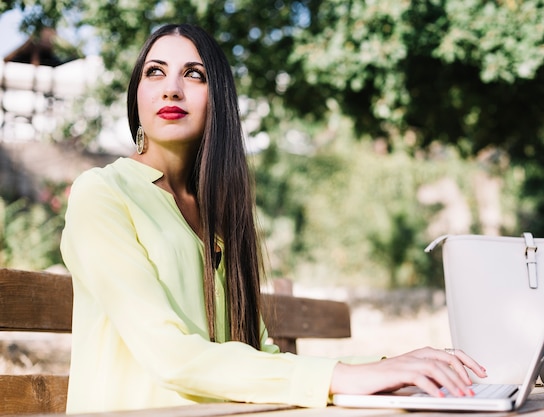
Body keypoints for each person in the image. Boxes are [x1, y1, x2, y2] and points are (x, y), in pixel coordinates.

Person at [60, 23, 487, 414]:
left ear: (218, 98)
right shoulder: (101, 194)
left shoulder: (219, 215)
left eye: (194, 74)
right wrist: (352, 377)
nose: (171, 89)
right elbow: (171, 354)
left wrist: (394, 367)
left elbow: (260, 355)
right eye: (155, 72)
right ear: (136, 93)